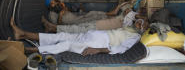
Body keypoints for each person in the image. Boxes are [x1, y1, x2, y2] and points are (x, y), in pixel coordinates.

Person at [10, 17, 141, 56]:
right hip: (94, 35)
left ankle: (29, 50)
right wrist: (138, 19)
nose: (141, 23)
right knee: (62, 35)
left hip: (100, 43)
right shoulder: (130, 26)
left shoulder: (136, 37)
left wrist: (99, 50)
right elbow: (130, 16)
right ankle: (22, 34)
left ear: (144, 29)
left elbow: (121, 48)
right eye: (140, 21)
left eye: (143, 24)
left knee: (67, 45)